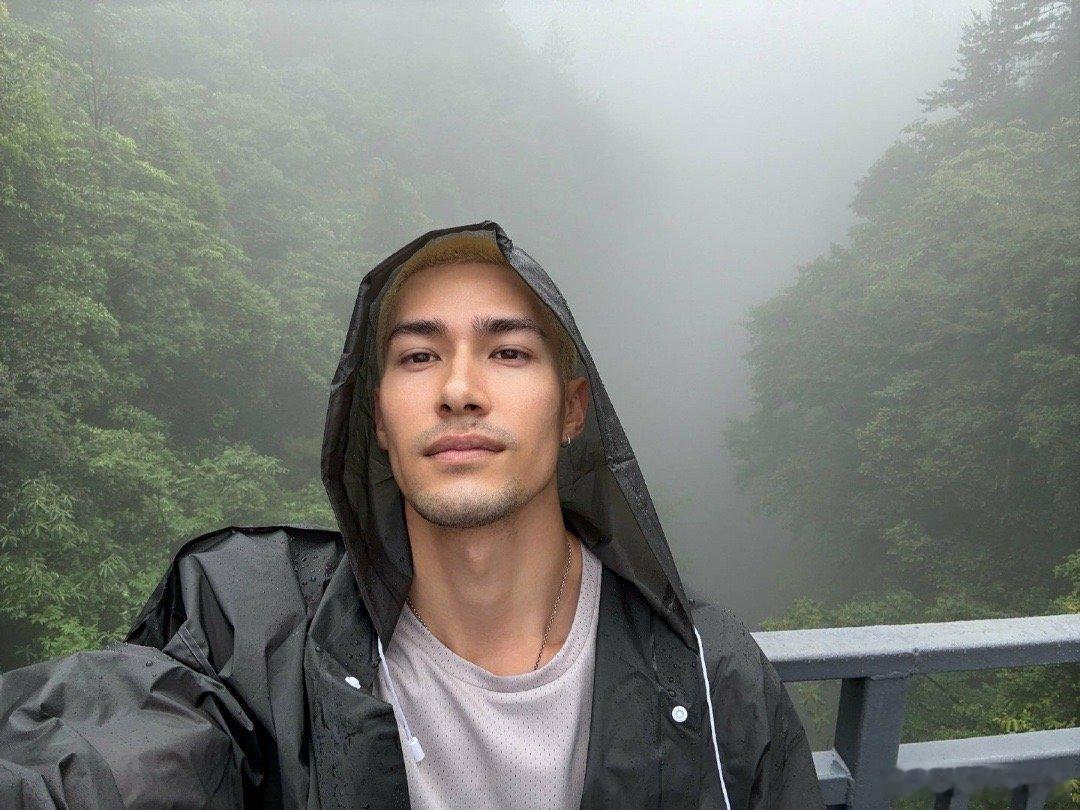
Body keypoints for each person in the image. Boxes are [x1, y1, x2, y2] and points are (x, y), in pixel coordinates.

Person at [0, 221, 824, 809]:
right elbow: (99, 750)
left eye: (508, 351)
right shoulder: (251, 635)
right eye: (419, 355)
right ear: (378, 419)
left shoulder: (714, 680)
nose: (459, 389)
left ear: (573, 409)